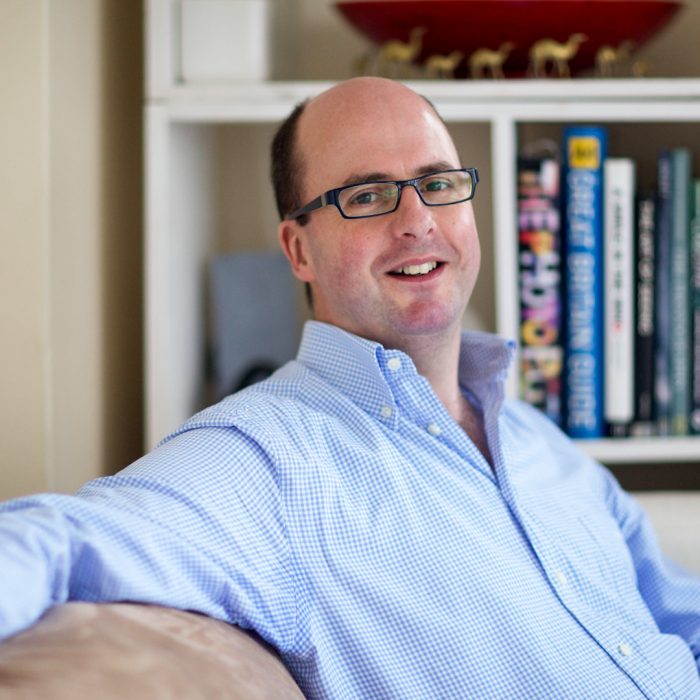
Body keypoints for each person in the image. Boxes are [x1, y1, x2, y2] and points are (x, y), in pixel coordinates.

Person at [1, 77, 698, 698]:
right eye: (367, 195)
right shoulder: (266, 462)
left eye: (438, 182)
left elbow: (681, 624)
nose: (417, 219)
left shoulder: (539, 440)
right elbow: (61, 538)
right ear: (299, 249)